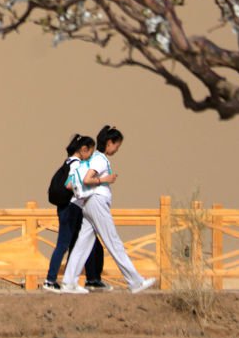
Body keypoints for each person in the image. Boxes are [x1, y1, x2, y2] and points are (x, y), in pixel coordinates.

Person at [61, 126, 156, 294]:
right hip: (97, 202)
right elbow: (87, 179)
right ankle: (135, 281)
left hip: (89, 203)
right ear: (109, 142)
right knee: (113, 242)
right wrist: (106, 179)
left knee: (83, 243)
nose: (117, 149)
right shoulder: (100, 159)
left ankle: (69, 281)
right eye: (117, 145)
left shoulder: (94, 158)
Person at [42, 134, 108, 293]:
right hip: (71, 209)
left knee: (80, 243)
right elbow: (70, 184)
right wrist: (88, 189)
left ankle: (82, 280)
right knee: (65, 244)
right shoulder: (77, 165)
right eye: (90, 152)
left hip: (69, 208)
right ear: (83, 150)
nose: (91, 156)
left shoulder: (69, 162)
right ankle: (51, 280)